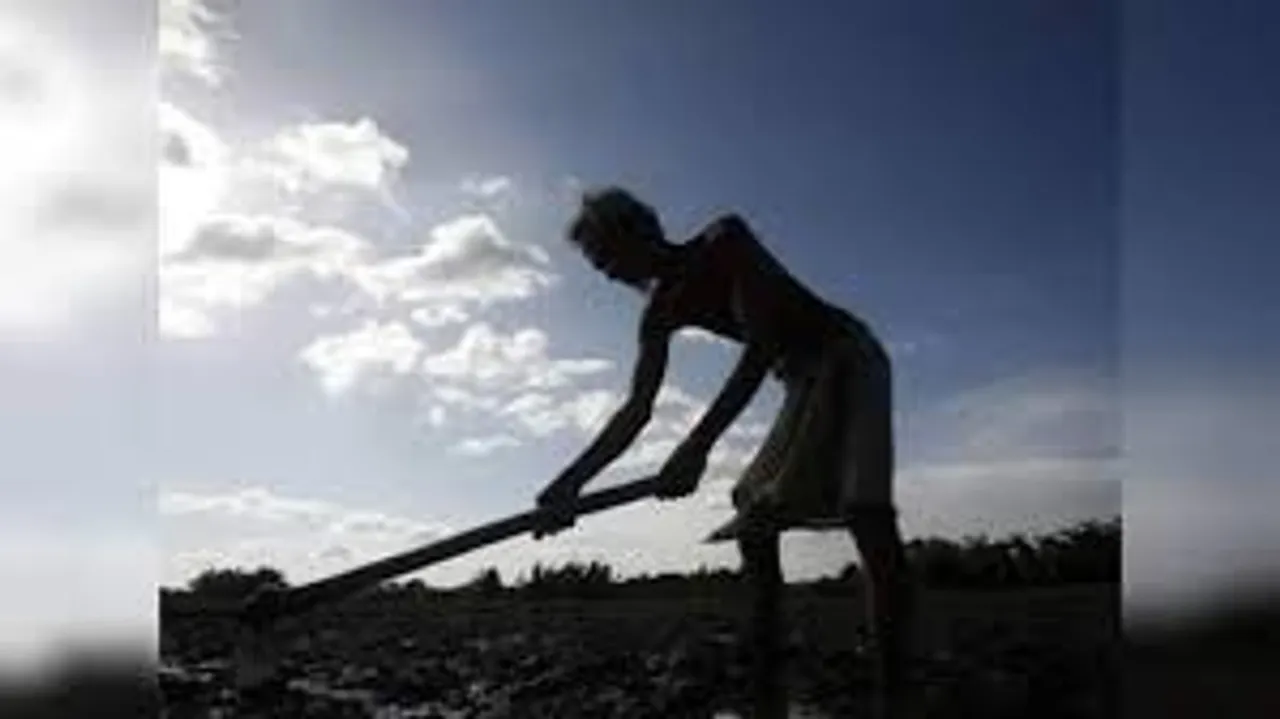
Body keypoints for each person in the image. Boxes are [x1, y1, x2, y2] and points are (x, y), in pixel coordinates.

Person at [533, 187, 914, 718]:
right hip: (799, 378)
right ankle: (767, 685)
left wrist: (696, 447)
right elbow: (636, 410)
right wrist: (572, 482)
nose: (608, 276)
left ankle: (896, 693)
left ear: (638, 231)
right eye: (598, 267)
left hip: (846, 352)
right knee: (753, 519)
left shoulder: (724, 240)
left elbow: (760, 345)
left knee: (865, 512)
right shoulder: (658, 313)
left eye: (606, 258)